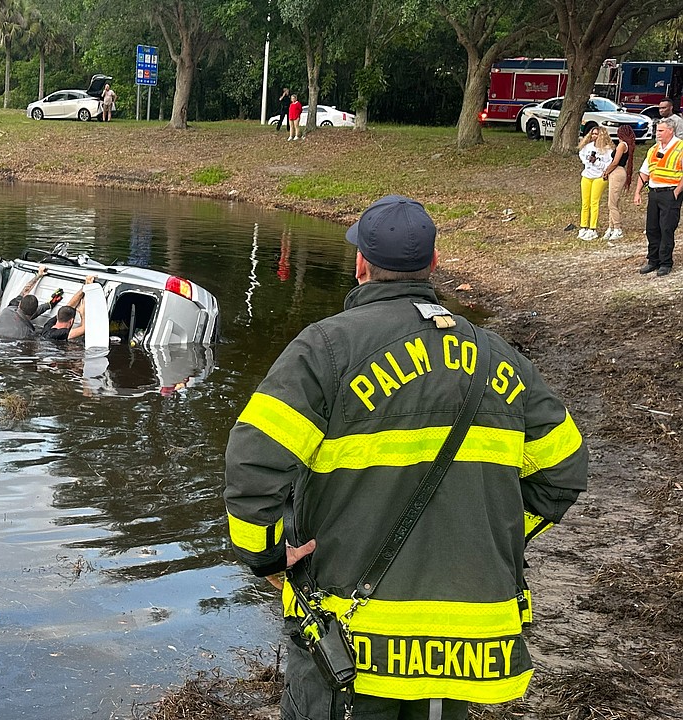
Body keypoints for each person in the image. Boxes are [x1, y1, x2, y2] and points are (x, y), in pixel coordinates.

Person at [224, 194, 588, 720]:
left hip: (351, 637)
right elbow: (564, 473)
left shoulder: (326, 350)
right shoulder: (499, 358)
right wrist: (495, 535)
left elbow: (253, 462)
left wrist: (264, 554)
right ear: (433, 264)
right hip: (465, 642)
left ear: (361, 266)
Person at [633, 120, 683, 277]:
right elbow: (644, 172)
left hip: (670, 192)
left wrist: (676, 192)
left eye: (661, 130)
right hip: (654, 192)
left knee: (666, 228)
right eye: (657, 130)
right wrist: (638, 192)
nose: (657, 133)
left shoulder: (680, 148)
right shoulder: (653, 149)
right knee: (652, 228)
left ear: (670, 131)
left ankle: (665, 262)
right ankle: (653, 260)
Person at [0, 266, 48, 339]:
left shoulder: (7, 310)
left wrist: (38, 275)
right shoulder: (28, 333)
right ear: (34, 312)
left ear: (19, 304)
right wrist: (49, 305)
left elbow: (25, 291)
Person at [577, 124, 613, 240]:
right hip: (587, 176)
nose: (594, 136)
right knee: (585, 202)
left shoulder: (608, 150)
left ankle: (593, 229)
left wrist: (597, 162)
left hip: (599, 177)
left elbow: (608, 166)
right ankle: (583, 227)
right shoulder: (587, 147)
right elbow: (582, 155)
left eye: (596, 134)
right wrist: (587, 161)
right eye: (592, 134)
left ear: (602, 135)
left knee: (594, 202)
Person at [601, 124, 636, 241]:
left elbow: (615, 161)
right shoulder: (626, 145)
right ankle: (610, 227)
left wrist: (606, 172)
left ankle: (617, 227)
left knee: (612, 203)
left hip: (617, 172)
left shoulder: (622, 145)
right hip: (616, 172)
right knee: (612, 201)